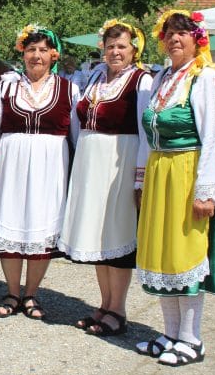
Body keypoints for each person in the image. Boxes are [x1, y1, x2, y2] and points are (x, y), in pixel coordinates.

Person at [134, 10, 215, 366]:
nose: (174, 39)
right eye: (169, 33)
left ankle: (191, 339)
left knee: (185, 254)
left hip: (188, 172)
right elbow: (148, 135)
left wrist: (207, 190)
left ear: (196, 40)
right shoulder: (161, 78)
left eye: (182, 33)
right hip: (161, 170)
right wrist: (141, 178)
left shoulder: (205, 79)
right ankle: (170, 333)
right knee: (161, 254)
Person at [0, 24, 79, 320]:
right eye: (31, 49)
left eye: (43, 50)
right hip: (11, 165)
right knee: (11, 224)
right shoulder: (5, 85)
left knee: (41, 228)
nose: (37, 55)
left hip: (50, 168)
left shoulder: (69, 88)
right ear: (22, 53)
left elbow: (76, 136)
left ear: (54, 55)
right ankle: (11, 292)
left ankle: (31, 294)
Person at [58, 19, 152, 336]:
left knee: (118, 233)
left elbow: (144, 132)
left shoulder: (141, 81)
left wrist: (140, 178)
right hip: (91, 165)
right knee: (100, 236)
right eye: (110, 46)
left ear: (134, 49)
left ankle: (119, 309)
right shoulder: (96, 77)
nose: (115, 51)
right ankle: (104, 303)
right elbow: (77, 119)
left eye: (121, 46)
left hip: (119, 164)